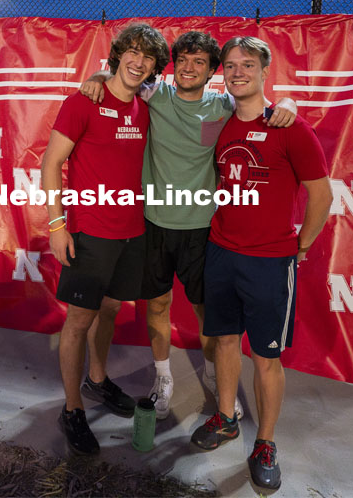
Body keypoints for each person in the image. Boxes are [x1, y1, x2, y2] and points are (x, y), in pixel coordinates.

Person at [80, 31, 297, 420]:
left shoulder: (224, 107)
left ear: (213, 71)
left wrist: (288, 101)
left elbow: (262, 103)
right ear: (172, 65)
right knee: (158, 305)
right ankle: (163, 379)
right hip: (154, 224)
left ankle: (215, 374)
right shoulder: (154, 96)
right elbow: (117, 84)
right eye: (183, 60)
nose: (189, 67)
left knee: (208, 313)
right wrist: (96, 80)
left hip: (202, 228)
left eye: (199, 62)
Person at [189, 36, 331, 491]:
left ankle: (265, 442)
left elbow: (322, 194)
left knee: (266, 357)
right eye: (229, 65)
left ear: (264, 71)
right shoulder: (218, 124)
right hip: (221, 251)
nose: (236, 72)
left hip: (270, 261)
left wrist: (301, 243)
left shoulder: (290, 127)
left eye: (247, 64)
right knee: (224, 342)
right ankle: (226, 417)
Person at [42, 23, 168, 455]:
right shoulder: (83, 101)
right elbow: (51, 163)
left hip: (135, 233)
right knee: (78, 320)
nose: (138, 62)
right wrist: (57, 226)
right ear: (116, 56)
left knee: (110, 309)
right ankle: (72, 410)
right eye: (131, 52)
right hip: (90, 233)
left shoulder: (148, 107)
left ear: (154, 67)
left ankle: (96, 381)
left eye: (148, 57)